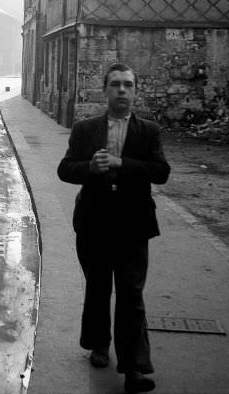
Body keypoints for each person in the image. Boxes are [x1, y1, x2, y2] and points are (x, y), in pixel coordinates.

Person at [57, 63, 170, 394]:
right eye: (116, 84)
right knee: (97, 288)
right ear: (105, 90)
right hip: (94, 223)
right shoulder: (85, 128)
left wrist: (124, 164)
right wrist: (89, 168)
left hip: (134, 226)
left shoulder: (148, 131)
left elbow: (161, 171)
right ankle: (98, 345)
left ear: (136, 91)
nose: (122, 90)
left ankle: (134, 367)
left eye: (128, 85)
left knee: (131, 295)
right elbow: (65, 170)